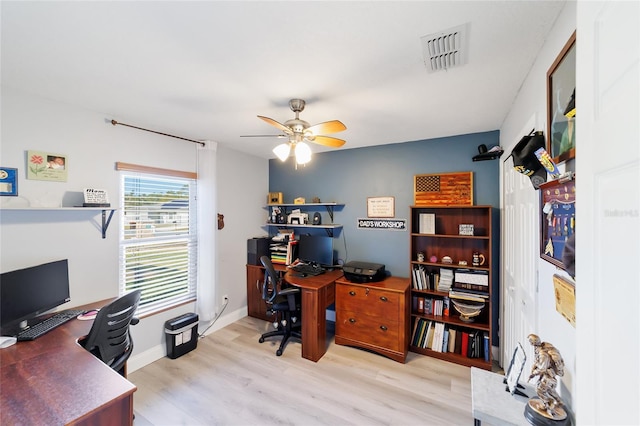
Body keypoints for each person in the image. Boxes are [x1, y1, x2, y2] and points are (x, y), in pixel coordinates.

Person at [528, 334, 565, 419]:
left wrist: (534, 373)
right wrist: (534, 367)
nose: (530, 342)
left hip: (548, 376)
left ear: (533, 342)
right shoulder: (539, 349)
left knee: (539, 390)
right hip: (548, 376)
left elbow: (542, 369)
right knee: (550, 390)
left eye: (530, 341)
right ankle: (559, 402)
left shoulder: (542, 354)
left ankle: (550, 406)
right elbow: (537, 362)